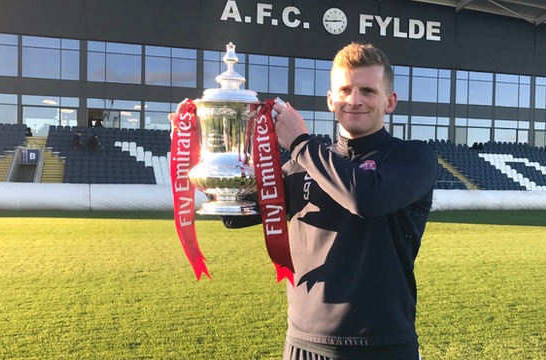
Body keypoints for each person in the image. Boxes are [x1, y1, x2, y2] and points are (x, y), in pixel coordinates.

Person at [174, 42, 437, 359]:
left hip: (382, 344)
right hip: (303, 343)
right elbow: (236, 214)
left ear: (390, 101)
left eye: (368, 90)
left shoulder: (413, 156)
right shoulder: (299, 165)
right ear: (331, 100)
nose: (354, 100)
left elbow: (366, 198)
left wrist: (299, 142)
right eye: (344, 90)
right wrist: (213, 146)